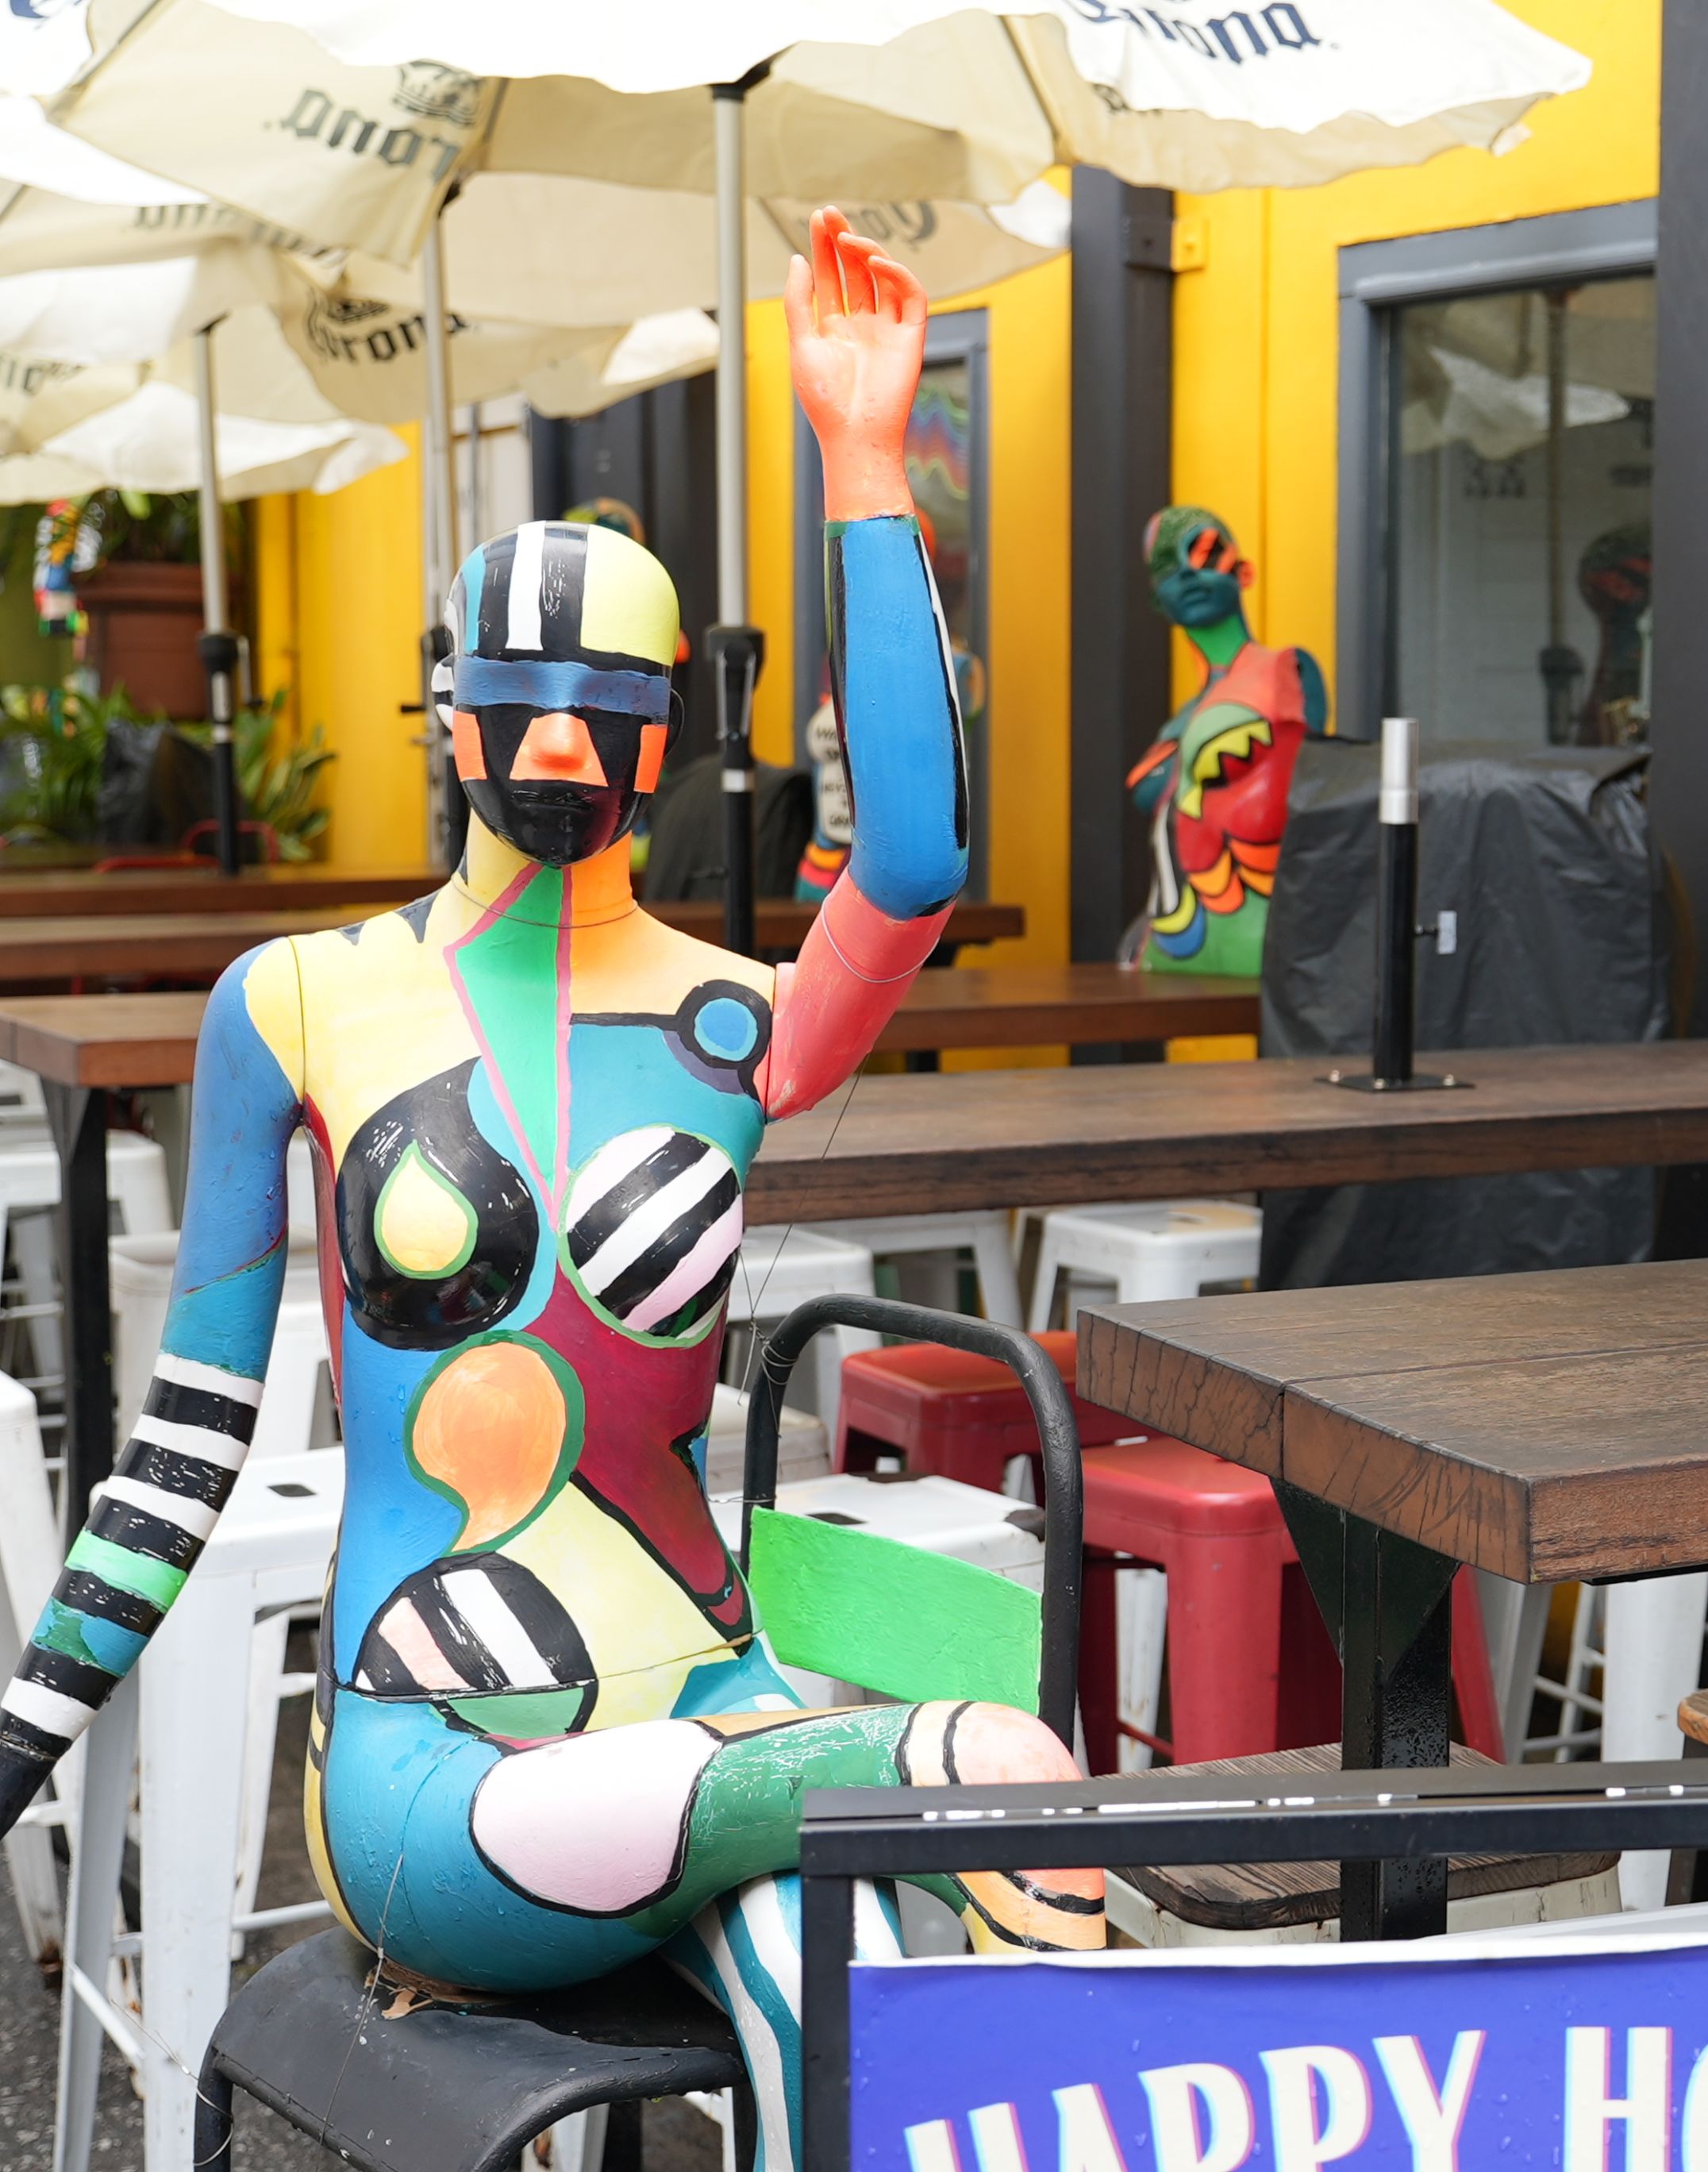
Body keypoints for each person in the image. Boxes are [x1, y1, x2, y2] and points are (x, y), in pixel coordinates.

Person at [0, 210, 1100, 2172]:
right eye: (523, 684)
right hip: (448, 1769)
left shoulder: (732, 1023)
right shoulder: (303, 1004)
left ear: (677, 730)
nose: (568, 735)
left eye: (614, 696)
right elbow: (184, 1443)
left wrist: (864, 449)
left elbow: (916, 857)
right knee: (979, 1775)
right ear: (447, 704)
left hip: (719, 1697)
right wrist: (24, 1732)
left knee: (846, 2026)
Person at [1124, 505, 1329, 976]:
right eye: (1168, 570)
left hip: (1260, 931)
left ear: (1245, 570)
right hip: (1174, 932)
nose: (1188, 576)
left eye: (1205, 552)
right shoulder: (1184, 719)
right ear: (1158, 600)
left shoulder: (1286, 672)